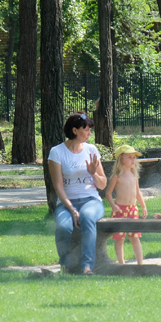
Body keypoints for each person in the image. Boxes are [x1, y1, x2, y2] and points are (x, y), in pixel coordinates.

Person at [48, 112, 108, 274]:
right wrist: (72, 209)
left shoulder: (91, 150)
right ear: (75, 131)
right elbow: (58, 187)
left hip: (91, 200)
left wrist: (93, 173)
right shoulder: (56, 152)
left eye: (90, 130)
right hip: (67, 203)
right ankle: (66, 266)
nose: (89, 133)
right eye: (86, 130)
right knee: (63, 226)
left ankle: (87, 266)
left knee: (87, 217)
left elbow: (103, 184)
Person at [105, 145, 148, 265]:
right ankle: (121, 264)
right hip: (119, 210)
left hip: (132, 209)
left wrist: (143, 206)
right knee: (119, 239)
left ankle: (140, 264)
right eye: (129, 157)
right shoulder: (117, 176)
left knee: (135, 237)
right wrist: (113, 206)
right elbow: (108, 193)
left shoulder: (134, 175)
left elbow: (138, 192)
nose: (133, 160)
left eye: (134, 157)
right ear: (121, 159)